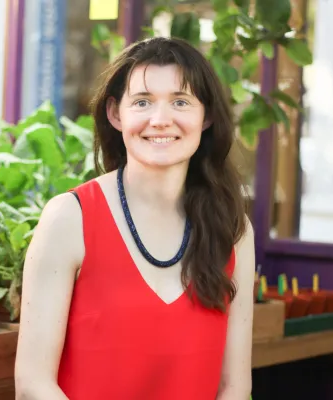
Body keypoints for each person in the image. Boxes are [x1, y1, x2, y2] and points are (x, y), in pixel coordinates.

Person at [15, 36, 255, 400]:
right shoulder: (70, 218)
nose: (160, 120)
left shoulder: (233, 229)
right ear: (116, 114)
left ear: (206, 116)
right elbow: (34, 385)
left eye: (180, 102)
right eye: (142, 102)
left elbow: (235, 387)